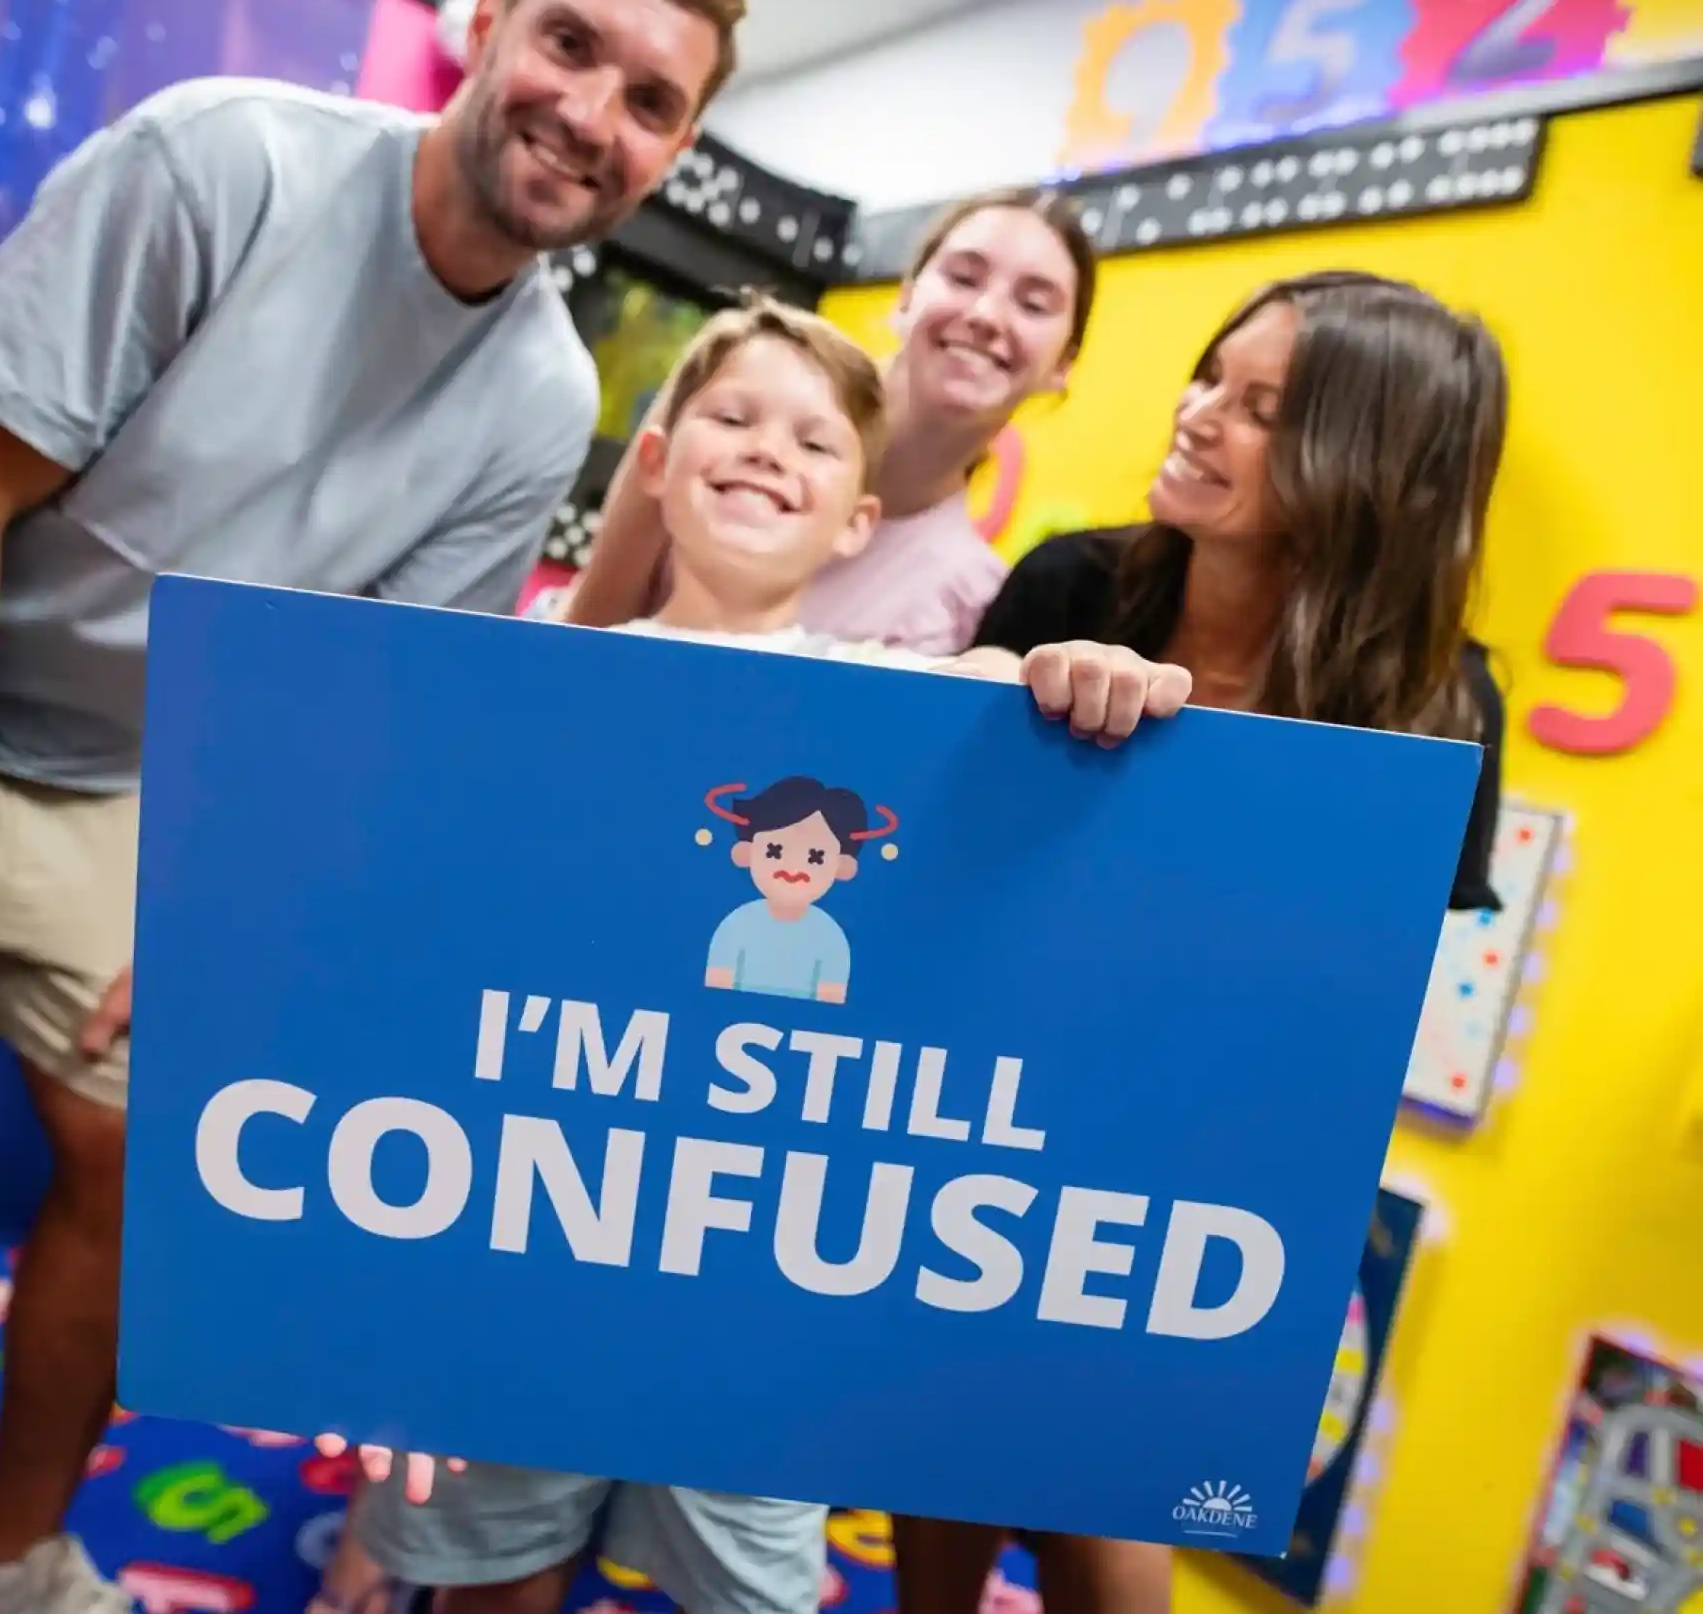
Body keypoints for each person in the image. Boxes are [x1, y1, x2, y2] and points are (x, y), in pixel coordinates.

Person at [0, 0, 752, 1610]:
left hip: (93, 743)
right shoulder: (226, 160)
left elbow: (348, 709)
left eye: (650, 100)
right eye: (569, 44)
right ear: (486, 25)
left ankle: (7, 1564)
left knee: (150, 1146)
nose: (589, 111)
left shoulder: (537, 396)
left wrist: (229, 916)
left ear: (676, 152)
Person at [328, 297, 1189, 1614]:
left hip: (761, 1291)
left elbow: (1011, 705)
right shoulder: (529, 694)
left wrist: (1076, 672)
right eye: (731, 418)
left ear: (858, 519)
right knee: (493, 1581)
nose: (766, 451)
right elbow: (422, 958)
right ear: (659, 464)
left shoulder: (903, 703)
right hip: (526, 1263)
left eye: (813, 441)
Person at [894, 268, 1512, 1614]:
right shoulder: (1073, 582)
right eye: (1209, 378)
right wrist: (991, 700)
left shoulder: (1439, 703)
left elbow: (1367, 1007)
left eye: (1259, 407)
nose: (1196, 415)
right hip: (980, 1129)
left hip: (1190, 1185)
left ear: (1366, 468)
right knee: (932, 1470)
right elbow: (933, 863)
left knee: (1110, 1533)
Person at [559, 186, 1097, 652]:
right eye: (963, 277)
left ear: (1066, 363)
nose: (986, 316)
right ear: (905, 297)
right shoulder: (733, 381)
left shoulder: (966, 597)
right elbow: (587, 627)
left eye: (1033, 304)